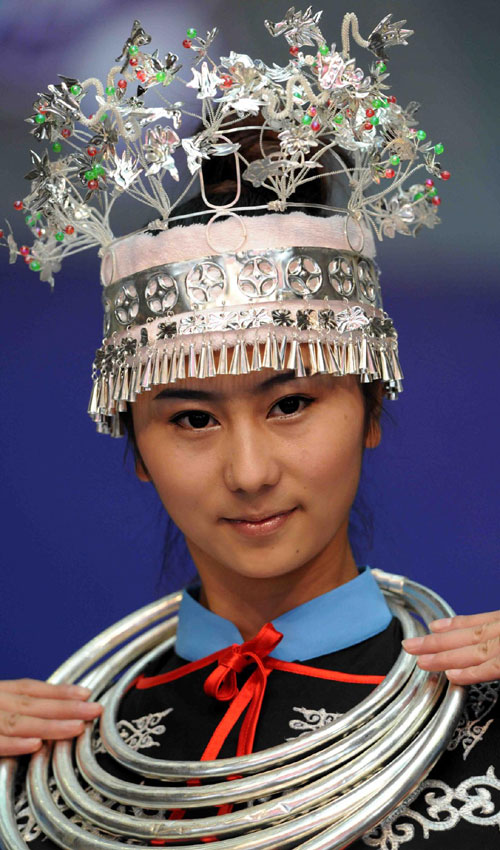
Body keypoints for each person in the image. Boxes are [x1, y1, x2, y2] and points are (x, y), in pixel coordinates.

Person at [1, 8, 499, 850]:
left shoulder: (481, 716)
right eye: (192, 418)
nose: (249, 470)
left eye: (291, 404)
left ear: (372, 412)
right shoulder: (48, 771)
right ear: (136, 449)